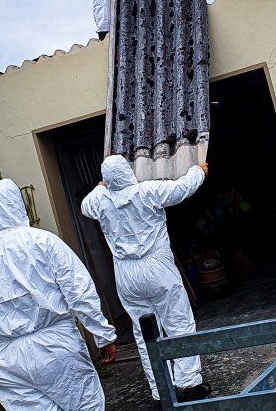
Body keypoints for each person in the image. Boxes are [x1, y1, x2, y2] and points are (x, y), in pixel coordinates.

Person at [0, 178, 118, 410]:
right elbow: (79, 291)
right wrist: (102, 335)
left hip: (8, 360)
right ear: (17, 203)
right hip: (57, 348)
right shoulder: (44, 241)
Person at [81, 155, 212, 403]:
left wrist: (100, 186)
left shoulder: (99, 200)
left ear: (107, 179)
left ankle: (160, 389)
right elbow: (182, 188)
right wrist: (198, 171)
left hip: (126, 274)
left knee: (145, 334)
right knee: (178, 323)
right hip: (157, 266)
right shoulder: (148, 191)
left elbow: (85, 205)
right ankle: (189, 383)